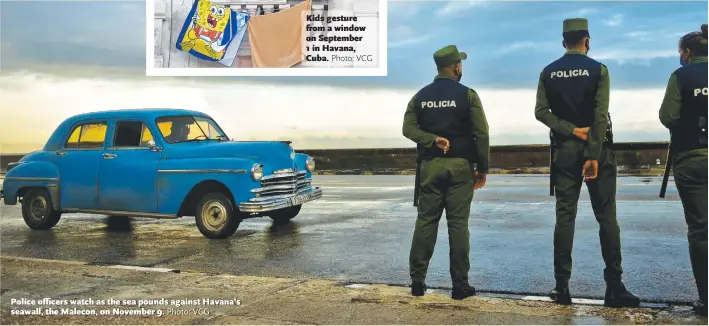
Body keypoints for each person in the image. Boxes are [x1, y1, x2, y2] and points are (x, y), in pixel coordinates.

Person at [534, 18, 639, 308]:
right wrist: (592, 154)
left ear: (563, 42)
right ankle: (615, 287)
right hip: (598, 151)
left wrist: (569, 129)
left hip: (564, 152)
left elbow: (541, 112)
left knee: (564, 218)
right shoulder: (599, 70)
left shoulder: (548, 73)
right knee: (607, 217)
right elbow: (599, 114)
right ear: (587, 41)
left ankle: (562, 287)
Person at [402, 45, 490, 300]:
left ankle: (417, 281)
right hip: (461, 168)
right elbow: (481, 133)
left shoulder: (420, 97)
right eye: (460, 63)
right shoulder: (468, 95)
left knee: (426, 222)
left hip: (430, 167)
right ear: (455, 67)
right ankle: (460, 286)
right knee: (458, 225)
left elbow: (408, 129)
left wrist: (430, 139)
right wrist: (482, 168)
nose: (462, 67)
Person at [658, 24, 708, 317]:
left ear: (687, 52)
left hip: (692, 157)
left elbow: (668, 116)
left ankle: (707, 297)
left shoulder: (681, 76)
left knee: (701, 229)